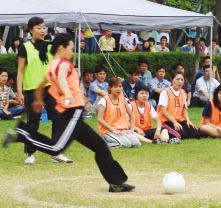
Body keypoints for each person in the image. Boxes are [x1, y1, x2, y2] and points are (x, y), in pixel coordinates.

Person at [3, 33, 135, 192]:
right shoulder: (62, 64)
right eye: (71, 49)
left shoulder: (52, 65)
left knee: (101, 147)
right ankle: (20, 133)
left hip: (75, 116)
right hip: (70, 114)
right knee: (55, 148)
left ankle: (116, 183)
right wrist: (66, 93)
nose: (73, 52)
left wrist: (38, 100)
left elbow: (41, 85)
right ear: (61, 48)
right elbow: (61, 79)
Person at [17, 17, 71, 164]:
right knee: (33, 122)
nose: (42, 30)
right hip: (32, 90)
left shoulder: (49, 47)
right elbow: (20, 71)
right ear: (30, 30)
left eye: (43, 27)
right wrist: (19, 91)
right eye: (38, 28)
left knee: (58, 119)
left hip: (50, 89)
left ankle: (56, 152)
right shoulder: (25, 47)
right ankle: (30, 154)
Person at [97, 77, 141, 148]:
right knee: (126, 144)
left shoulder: (123, 99)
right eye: (115, 87)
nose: (118, 89)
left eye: (120, 86)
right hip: (108, 131)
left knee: (136, 144)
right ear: (110, 88)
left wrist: (132, 130)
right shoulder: (104, 100)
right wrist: (112, 129)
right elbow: (99, 119)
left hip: (122, 130)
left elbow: (132, 115)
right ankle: (102, 144)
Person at [157, 72, 200, 139]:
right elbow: (163, 111)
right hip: (167, 121)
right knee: (182, 135)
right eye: (178, 79)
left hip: (179, 120)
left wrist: (188, 120)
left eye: (182, 80)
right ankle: (163, 130)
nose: (180, 81)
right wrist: (174, 122)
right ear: (172, 80)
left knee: (196, 134)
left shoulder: (183, 92)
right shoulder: (165, 92)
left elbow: (184, 109)